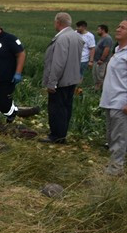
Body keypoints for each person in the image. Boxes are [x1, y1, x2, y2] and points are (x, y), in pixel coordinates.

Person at [41, 12, 84, 144]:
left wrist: (52, 83)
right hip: (72, 79)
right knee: (66, 108)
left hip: (61, 81)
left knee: (56, 109)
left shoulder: (62, 38)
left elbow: (58, 63)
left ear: (58, 23)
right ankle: (62, 134)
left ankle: (56, 136)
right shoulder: (76, 37)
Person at [98, 19, 127, 175]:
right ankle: (113, 165)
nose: (118, 29)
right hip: (110, 100)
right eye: (118, 26)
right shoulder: (118, 50)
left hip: (120, 102)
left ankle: (116, 168)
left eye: (123, 28)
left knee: (119, 137)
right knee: (111, 136)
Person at [93, 24, 114, 91]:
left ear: (103, 30)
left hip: (101, 62)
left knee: (100, 76)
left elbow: (106, 49)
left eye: (98, 29)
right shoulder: (103, 38)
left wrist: (102, 59)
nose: (97, 31)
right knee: (96, 76)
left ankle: (100, 90)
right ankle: (96, 88)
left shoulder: (107, 38)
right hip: (96, 60)